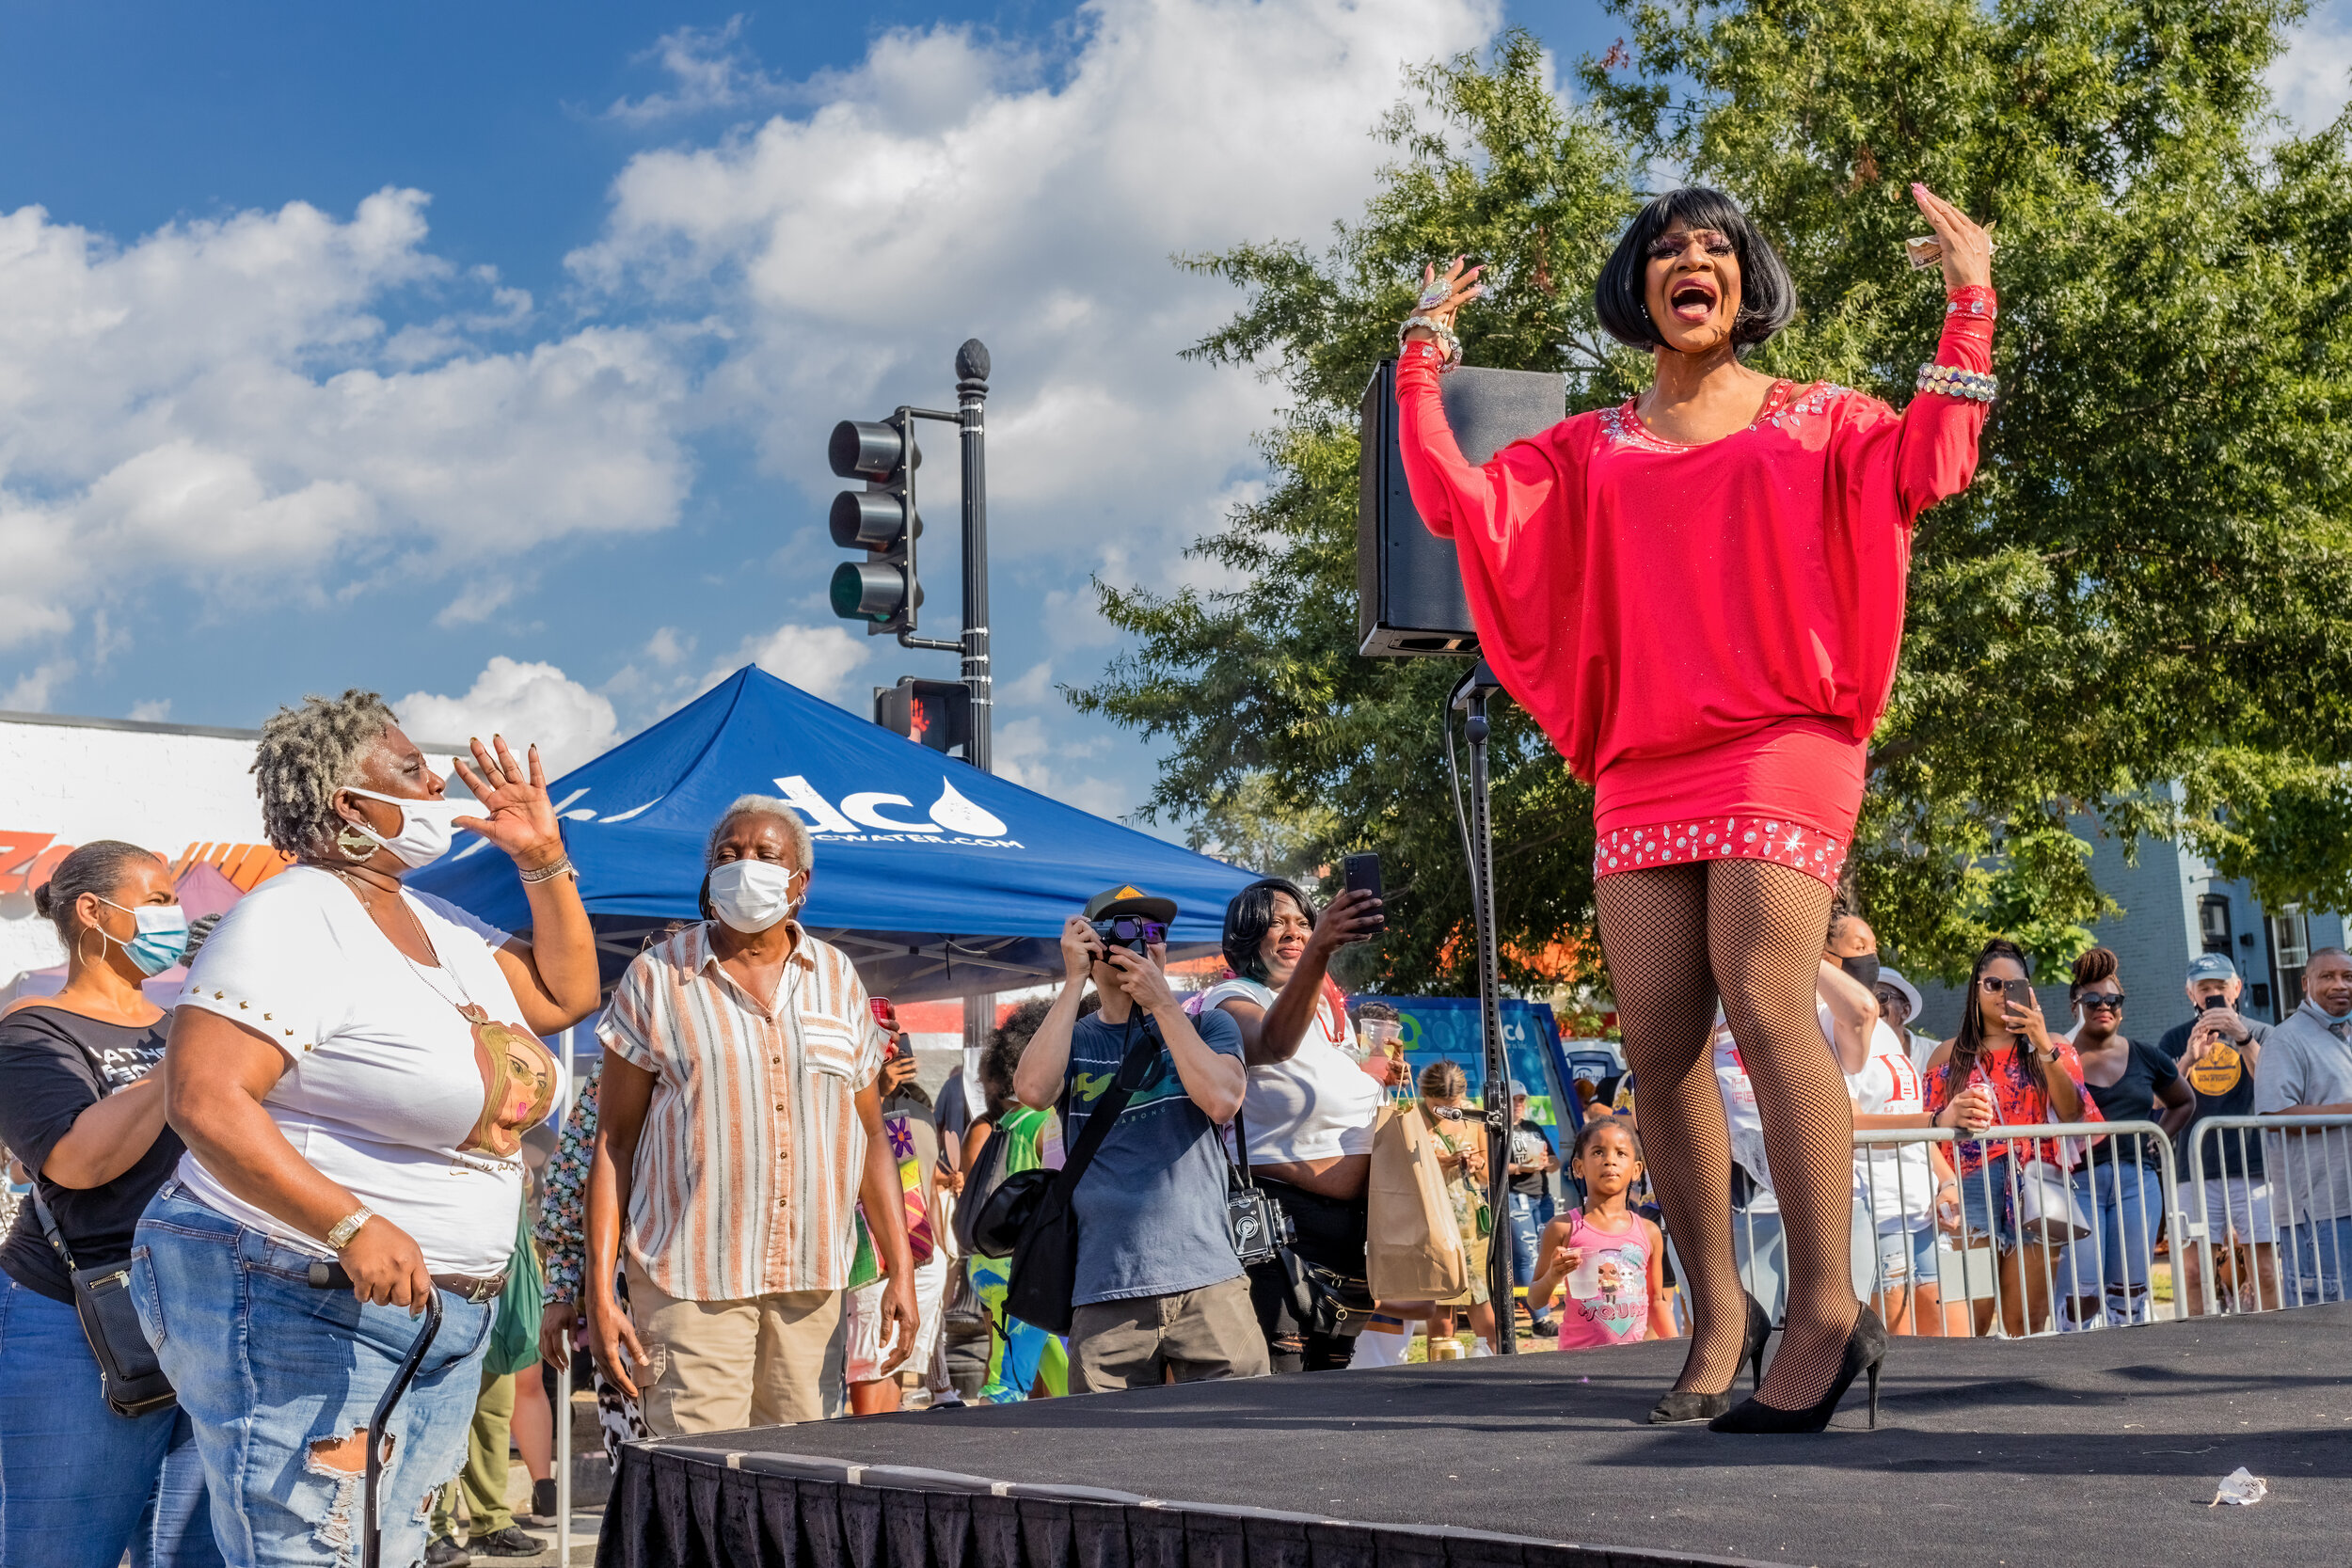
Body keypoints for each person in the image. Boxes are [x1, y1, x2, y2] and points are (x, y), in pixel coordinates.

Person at [1398, 181, 1996, 1431]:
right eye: (1668, 249)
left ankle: (1829, 1305)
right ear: (1643, 288)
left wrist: (1969, 301)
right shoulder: (1589, 446)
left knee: (1768, 994)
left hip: (1785, 733)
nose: (1692, 260)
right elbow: (1459, 503)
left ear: (1744, 282)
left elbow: (1936, 463)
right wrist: (1419, 361)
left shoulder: (1821, 416)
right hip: (1645, 752)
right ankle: (1722, 1310)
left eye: (1715, 246)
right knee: (1660, 1038)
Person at [139, 693, 597, 1568]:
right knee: (313, 1554)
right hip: (297, 1292)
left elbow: (563, 995)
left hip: (435, 1315)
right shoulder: (290, 914)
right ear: (350, 803)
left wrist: (543, 859)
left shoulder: (437, 924)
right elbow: (203, 1097)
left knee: (384, 1551)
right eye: (413, 769)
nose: (439, 784)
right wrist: (348, 1222)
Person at [584, 796, 917, 1433]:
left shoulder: (838, 979)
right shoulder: (658, 977)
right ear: (708, 876)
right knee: (705, 1487)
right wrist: (601, 1289)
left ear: (800, 882)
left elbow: (871, 1134)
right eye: (728, 855)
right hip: (690, 1283)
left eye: (767, 855)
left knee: (799, 1482)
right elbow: (614, 1141)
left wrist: (900, 1269)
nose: (746, 866)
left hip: (811, 1282)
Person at [0, 842, 217, 1568]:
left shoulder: (176, 1020)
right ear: (93, 912)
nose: (173, 914)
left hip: (201, 1314)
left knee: (191, 1551)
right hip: (78, 1322)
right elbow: (79, 1160)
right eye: (156, 899)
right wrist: (191, 1042)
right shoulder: (35, 1031)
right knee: (61, 1549)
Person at [1012, 887, 1265, 1391]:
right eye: (1124, 931)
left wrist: (1161, 1004)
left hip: (1208, 1280)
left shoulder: (1207, 1025)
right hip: (1106, 1287)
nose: (1144, 944)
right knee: (1105, 1456)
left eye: (1156, 934)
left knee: (1242, 1443)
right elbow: (1033, 1091)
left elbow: (1221, 1100)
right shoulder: (1078, 1037)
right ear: (1091, 944)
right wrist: (1072, 982)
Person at [1196, 877, 1391, 1372]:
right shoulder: (1230, 999)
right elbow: (1272, 1043)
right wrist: (1320, 948)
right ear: (1244, 937)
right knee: (1284, 1389)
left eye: (1304, 923)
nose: (1294, 932)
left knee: (1329, 1390)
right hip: (1284, 1233)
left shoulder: (1326, 1011)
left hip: (1346, 1234)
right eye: (1276, 922)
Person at [1922, 940, 2100, 1337]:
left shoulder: (2055, 1047)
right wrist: (1944, 1181)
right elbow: (1927, 1130)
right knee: (1970, 1322)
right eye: (1993, 984)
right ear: (1975, 989)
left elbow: (2073, 1112)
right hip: (1969, 1192)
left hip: (2034, 1192)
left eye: (2014, 985)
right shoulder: (1946, 1056)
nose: (2004, 994)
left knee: (2027, 1323)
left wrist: (2042, 1043)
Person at [2056, 949, 2191, 1329]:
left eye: (2113, 1000)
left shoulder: (2147, 1055)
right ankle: (2074, 1367)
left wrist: (2158, 1136)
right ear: (2075, 1005)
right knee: (2081, 1292)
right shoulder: (2060, 1058)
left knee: (2129, 1292)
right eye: (2093, 999)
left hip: (2138, 1182)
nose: (2104, 1006)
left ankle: (2124, 1366)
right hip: (2078, 1184)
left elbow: (2184, 1102)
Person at [962, 998, 1073, 1402]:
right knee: (1007, 1382)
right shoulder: (1045, 1122)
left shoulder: (996, 1124)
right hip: (1024, 1269)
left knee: (1061, 1373)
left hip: (987, 1263)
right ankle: (987, 1453)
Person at [2156, 954, 2279, 1314]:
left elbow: (2272, 1087)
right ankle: (2199, 1351)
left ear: (2237, 988)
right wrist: (2188, 1059)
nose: (2213, 994)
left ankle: (2282, 1345)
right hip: (2193, 1167)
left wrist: (2242, 1037)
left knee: (2266, 1271)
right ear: (2190, 993)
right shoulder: (2175, 1038)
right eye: (2204, 988)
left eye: (2221, 987)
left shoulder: (2260, 1032)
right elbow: (2159, 1100)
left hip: (2254, 1165)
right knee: (2193, 1272)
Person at [2252, 945, 2352, 1305]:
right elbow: (2277, 1116)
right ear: (2305, 983)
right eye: (2328, 976)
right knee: (2326, 1330)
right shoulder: (2286, 1039)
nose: (2340, 985)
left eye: (2348, 977)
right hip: (2321, 1213)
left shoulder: (2347, 1034)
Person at [1527, 1118, 1676, 1350]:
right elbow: (1535, 1300)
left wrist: (1677, 1352)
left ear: (1637, 1170)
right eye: (1598, 1152)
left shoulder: (1649, 1231)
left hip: (1631, 1365)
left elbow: (1657, 1301)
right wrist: (1553, 1276)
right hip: (1578, 1363)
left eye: (1621, 1153)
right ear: (1579, 1167)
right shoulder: (1563, 1228)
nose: (1609, 1160)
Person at [1416, 1061, 1501, 1356]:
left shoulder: (1473, 1114)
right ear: (1423, 1093)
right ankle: (1439, 1377)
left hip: (1470, 1224)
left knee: (1480, 1300)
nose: (1446, 1111)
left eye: (1453, 1105)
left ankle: (1497, 1366)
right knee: (1440, 1308)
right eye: (1439, 1105)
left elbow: (1489, 1174)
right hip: (1431, 1220)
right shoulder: (1412, 1117)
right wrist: (1437, 1164)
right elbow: (1402, 1173)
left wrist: (1476, 1164)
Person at [1506, 1082, 1562, 1337]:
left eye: (1522, 1099)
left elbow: (1554, 1161)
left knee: (1547, 1252)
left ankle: (1546, 1302)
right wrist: (1521, 1168)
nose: (1519, 1104)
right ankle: (1540, 1319)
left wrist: (1546, 1163)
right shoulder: (1499, 1129)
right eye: (1514, 1099)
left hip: (1542, 1196)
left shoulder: (1533, 1128)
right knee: (1526, 1256)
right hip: (1516, 1196)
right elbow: (1492, 1168)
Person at [1871, 968, 1937, 1073]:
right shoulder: (1853, 1061)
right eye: (1865, 999)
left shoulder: (1934, 1053)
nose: (1871, 1006)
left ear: (1905, 1010)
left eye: (1881, 997)